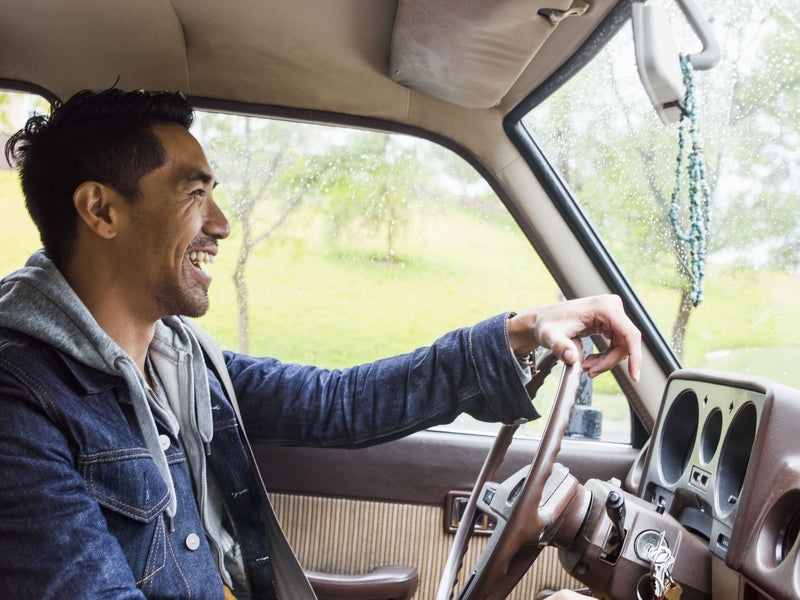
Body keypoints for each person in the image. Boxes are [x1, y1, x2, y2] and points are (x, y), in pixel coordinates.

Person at [0, 88, 641, 599]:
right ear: (101, 211)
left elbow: (335, 403)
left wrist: (518, 334)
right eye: (195, 194)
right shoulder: (21, 409)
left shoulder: (174, 361)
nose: (221, 224)